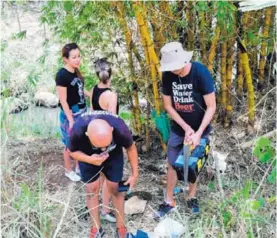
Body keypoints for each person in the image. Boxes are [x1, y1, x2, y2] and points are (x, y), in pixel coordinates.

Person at [156, 42, 216, 216]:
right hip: (179, 128)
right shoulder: (167, 76)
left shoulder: (200, 72)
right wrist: (185, 127)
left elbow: (211, 106)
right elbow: (168, 105)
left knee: (192, 165)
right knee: (172, 164)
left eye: (177, 67)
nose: (175, 71)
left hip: (200, 128)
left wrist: (197, 133)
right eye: (171, 68)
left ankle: (191, 196)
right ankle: (169, 200)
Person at [68, 110, 138, 238]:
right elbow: (71, 152)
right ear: (87, 134)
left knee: (115, 189)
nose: (103, 150)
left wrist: (134, 174)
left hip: (114, 155)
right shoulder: (77, 129)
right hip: (87, 155)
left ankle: (121, 228)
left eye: (106, 145)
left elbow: (131, 148)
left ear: (111, 130)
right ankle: (96, 228)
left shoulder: (120, 127)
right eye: (99, 147)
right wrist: (90, 159)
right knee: (91, 190)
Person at [56, 43, 90, 182]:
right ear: (65, 59)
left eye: (79, 56)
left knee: (80, 141)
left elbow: (81, 90)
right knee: (70, 143)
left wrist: (93, 94)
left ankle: (78, 168)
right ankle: (68, 170)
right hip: (71, 114)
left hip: (82, 111)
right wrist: (70, 120)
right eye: (74, 57)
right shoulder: (62, 75)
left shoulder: (76, 70)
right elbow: (63, 100)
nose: (77, 59)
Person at [90, 58, 118, 223]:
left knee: (100, 174)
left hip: (95, 135)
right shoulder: (111, 95)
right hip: (107, 138)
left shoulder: (94, 90)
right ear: (110, 75)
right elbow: (113, 120)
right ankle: (106, 210)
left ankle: (96, 204)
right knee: (108, 177)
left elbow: (93, 112)